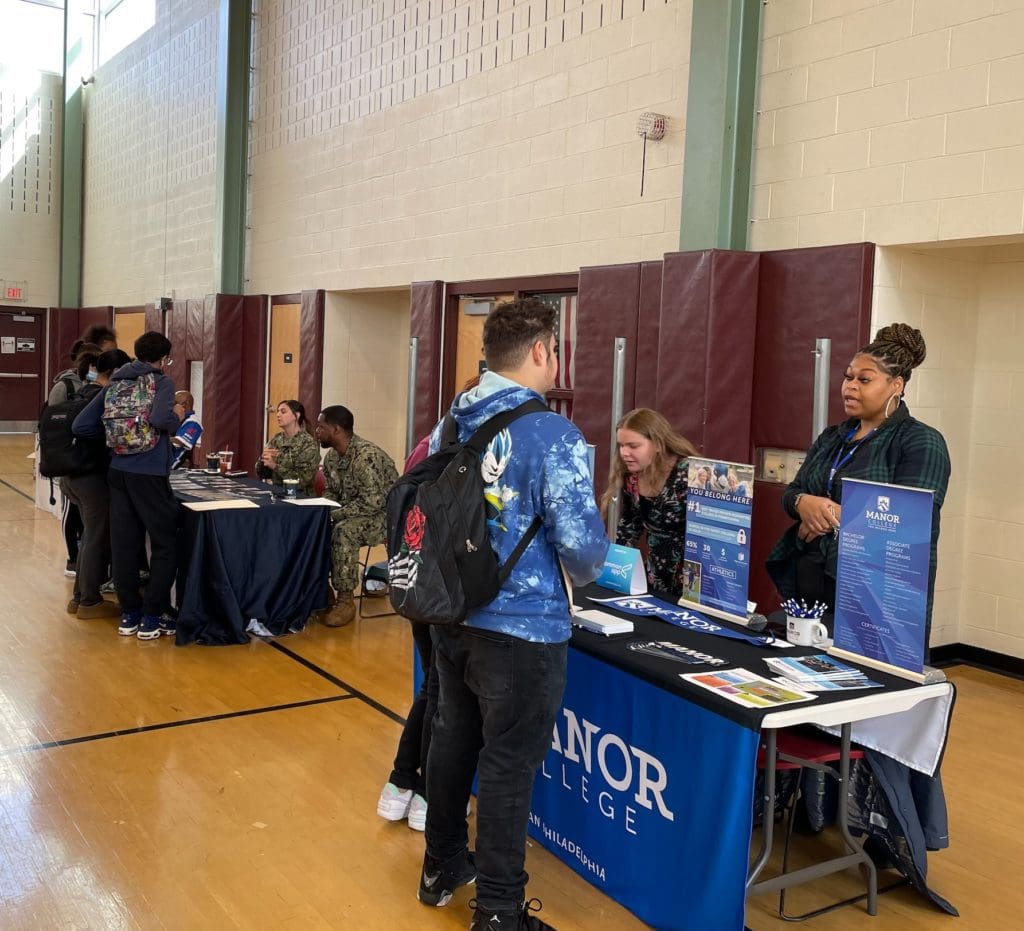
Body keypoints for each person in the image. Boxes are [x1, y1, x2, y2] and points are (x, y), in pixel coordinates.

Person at [419, 299, 608, 931]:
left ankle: (443, 863)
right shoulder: (554, 435)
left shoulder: (455, 418)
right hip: (523, 627)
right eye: (555, 351)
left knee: (452, 738)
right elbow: (582, 548)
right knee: (506, 763)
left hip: (451, 611)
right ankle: (500, 911)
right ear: (540, 352)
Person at [766, 323, 951, 641]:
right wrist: (804, 503)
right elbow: (793, 493)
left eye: (864, 380)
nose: (850, 387)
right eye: (848, 377)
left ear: (897, 385)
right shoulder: (832, 437)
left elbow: (910, 524)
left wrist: (831, 514)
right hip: (811, 581)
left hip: (876, 596)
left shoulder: (920, 441)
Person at [377, 375, 481, 832]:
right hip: (449, 593)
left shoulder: (427, 445)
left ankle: (403, 782)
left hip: (415, 585)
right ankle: (428, 794)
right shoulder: (473, 459)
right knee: (445, 694)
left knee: (434, 687)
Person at [73, 331, 185, 640]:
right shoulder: (161, 382)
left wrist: (115, 442)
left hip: (118, 470)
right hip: (149, 473)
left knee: (125, 544)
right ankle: (154, 615)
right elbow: (163, 419)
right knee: (165, 543)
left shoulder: (115, 383)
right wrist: (178, 414)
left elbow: (80, 425)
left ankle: (130, 614)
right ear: (162, 359)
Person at [600, 408, 697, 598]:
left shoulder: (689, 475)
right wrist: (618, 572)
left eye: (633, 446)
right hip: (655, 577)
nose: (624, 453)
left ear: (658, 444)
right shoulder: (632, 477)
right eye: (621, 445)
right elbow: (629, 524)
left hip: (693, 580)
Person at [315, 405, 398, 627]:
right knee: (316, 527)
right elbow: (332, 491)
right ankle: (322, 592)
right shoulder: (332, 457)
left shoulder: (365, 456)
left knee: (344, 532)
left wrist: (337, 515)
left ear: (336, 430)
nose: (316, 431)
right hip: (355, 512)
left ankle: (345, 600)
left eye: (321, 427)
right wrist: (325, 511)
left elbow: (373, 502)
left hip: (384, 516)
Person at [63, 349, 131, 619]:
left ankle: (79, 597)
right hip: (90, 477)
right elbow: (83, 429)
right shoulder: (102, 396)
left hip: (71, 474)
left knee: (89, 535)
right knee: (94, 537)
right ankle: (89, 600)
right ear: (115, 373)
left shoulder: (81, 392)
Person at [48, 340, 101, 577]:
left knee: (86, 517)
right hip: (69, 460)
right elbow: (52, 422)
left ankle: (86, 562)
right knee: (71, 510)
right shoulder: (64, 386)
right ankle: (72, 558)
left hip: (88, 462)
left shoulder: (98, 391)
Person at [257, 400, 319, 492]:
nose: (278, 414)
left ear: (296, 416)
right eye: (277, 411)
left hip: (300, 498)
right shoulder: (276, 439)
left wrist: (275, 466)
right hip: (276, 492)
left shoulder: (307, 443)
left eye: (283, 411)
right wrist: (263, 460)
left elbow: (302, 481)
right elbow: (262, 474)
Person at [171, 391, 203, 469]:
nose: (172, 406)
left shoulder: (193, 422)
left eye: (175, 403)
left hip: (174, 465)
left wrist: (158, 438)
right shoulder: (178, 419)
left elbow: (181, 442)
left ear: (184, 405)